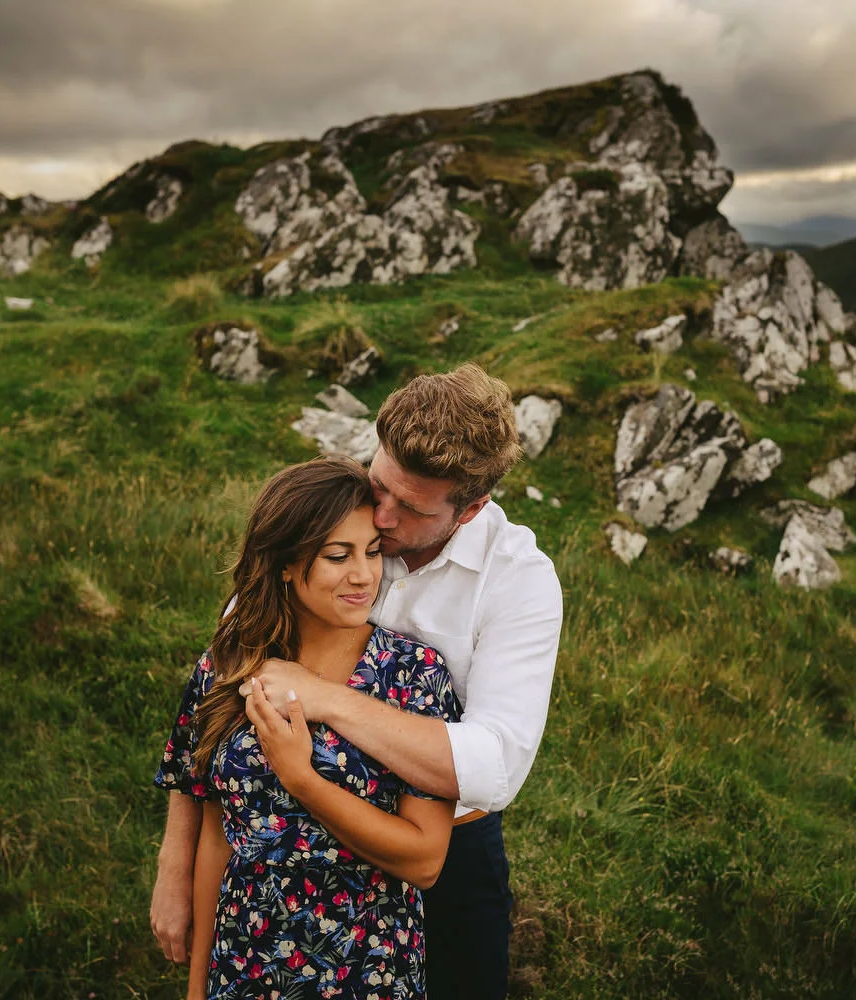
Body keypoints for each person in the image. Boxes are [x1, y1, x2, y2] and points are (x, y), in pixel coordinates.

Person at [154, 364, 563, 1000]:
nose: (383, 517)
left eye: (412, 508)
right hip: (263, 870)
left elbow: (494, 766)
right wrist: (174, 866)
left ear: (470, 509)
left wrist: (325, 703)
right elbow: (214, 712)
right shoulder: (337, 513)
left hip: (440, 849)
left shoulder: (518, 581)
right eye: (380, 483)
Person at [155, 455, 463, 999]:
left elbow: (424, 860)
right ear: (285, 563)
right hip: (243, 966)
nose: (364, 575)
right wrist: (199, 987)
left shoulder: (413, 674)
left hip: (365, 970)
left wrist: (303, 781)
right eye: (338, 556)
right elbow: (218, 836)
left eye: (373, 552)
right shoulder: (228, 666)